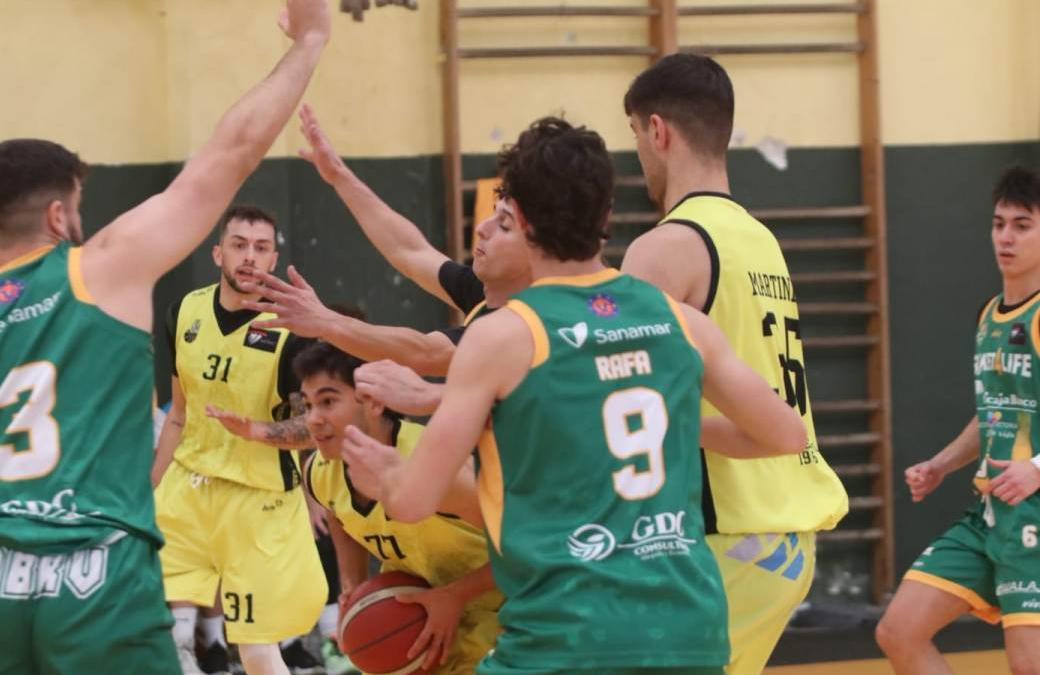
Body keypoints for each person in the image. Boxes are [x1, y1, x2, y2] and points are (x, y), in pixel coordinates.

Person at [0, 3, 331, 674]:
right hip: (96, 579)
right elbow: (234, 150)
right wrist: (311, 40)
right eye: (77, 208)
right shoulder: (101, 269)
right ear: (59, 213)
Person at [342, 117, 809, 674]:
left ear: (523, 220)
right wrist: (669, 422)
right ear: (606, 216)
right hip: (689, 633)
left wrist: (386, 473)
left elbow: (415, 500)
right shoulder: (678, 320)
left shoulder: (502, 336)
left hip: (567, 638)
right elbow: (785, 434)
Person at [618, 53, 849, 675]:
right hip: (783, 532)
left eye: (636, 135)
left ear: (658, 131)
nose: (638, 153)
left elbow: (618, 406)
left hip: (729, 533)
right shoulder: (759, 239)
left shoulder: (665, 247)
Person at [876, 166, 1040, 675]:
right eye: (998, 223)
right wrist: (943, 464)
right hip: (990, 513)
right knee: (899, 631)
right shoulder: (990, 313)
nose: (1005, 237)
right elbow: (995, 412)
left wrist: (1037, 466)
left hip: (1034, 516)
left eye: (1022, 225)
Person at [152, 205, 329, 675]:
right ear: (217, 253)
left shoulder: (294, 330)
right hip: (188, 489)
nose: (249, 257)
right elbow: (178, 416)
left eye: (261, 247)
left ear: (274, 260)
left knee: (255, 647)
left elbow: (314, 426)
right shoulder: (183, 311)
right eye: (239, 244)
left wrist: (258, 431)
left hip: (257, 502)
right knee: (136, 613)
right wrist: (147, 493)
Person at [241, 105, 530, 376]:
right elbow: (409, 250)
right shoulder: (487, 292)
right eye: (493, 215)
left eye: (503, 225)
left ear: (539, 247)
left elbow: (426, 353)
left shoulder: (521, 323)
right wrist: (339, 176)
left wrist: (326, 322)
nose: (482, 228)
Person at [289, 340, 501, 673]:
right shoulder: (319, 472)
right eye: (307, 405)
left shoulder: (438, 467)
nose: (313, 420)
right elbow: (337, 514)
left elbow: (530, 547)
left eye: (328, 401)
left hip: (503, 614)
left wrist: (456, 596)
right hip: (419, 616)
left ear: (373, 402)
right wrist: (353, 585)